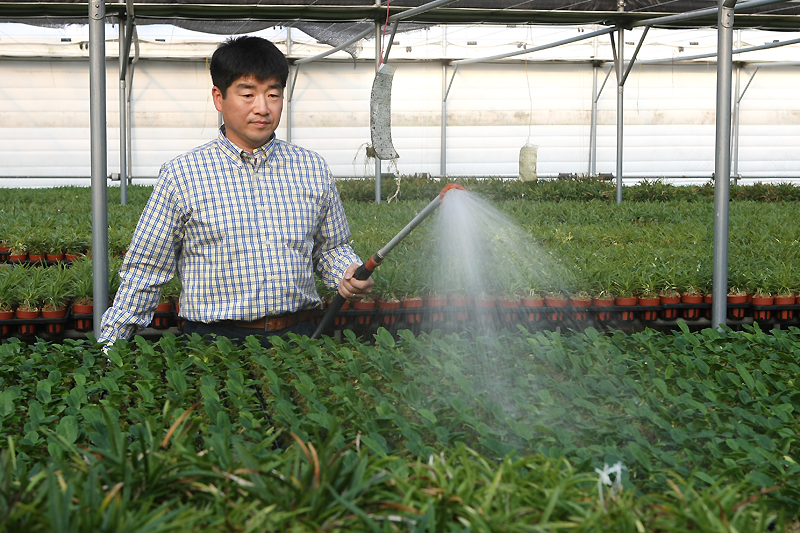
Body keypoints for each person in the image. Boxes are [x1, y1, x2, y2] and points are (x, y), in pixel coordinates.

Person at [99, 36, 373, 347]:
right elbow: (145, 271)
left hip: (298, 337)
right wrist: (108, 351)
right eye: (247, 94)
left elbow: (331, 248)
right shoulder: (183, 175)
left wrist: (347, 271)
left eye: (273, 94)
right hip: (214, 343)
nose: (263, 108)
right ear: (219, 97)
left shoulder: (312, 169)